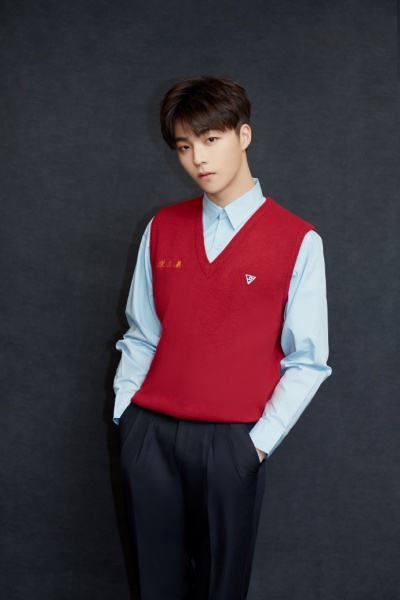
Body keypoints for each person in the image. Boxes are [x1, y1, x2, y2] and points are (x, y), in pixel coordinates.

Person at [113, 75, 332, 600]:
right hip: (151, 436)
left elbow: (307, 360)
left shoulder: (298, 240)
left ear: (244, 135)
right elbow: (142, 333)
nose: (198, 159)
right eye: (184, 146)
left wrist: (255, 445)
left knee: (220, 589)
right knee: (155, 586)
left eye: (211, 139)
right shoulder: (162, 227)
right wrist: (127, 416)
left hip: (231, 443)